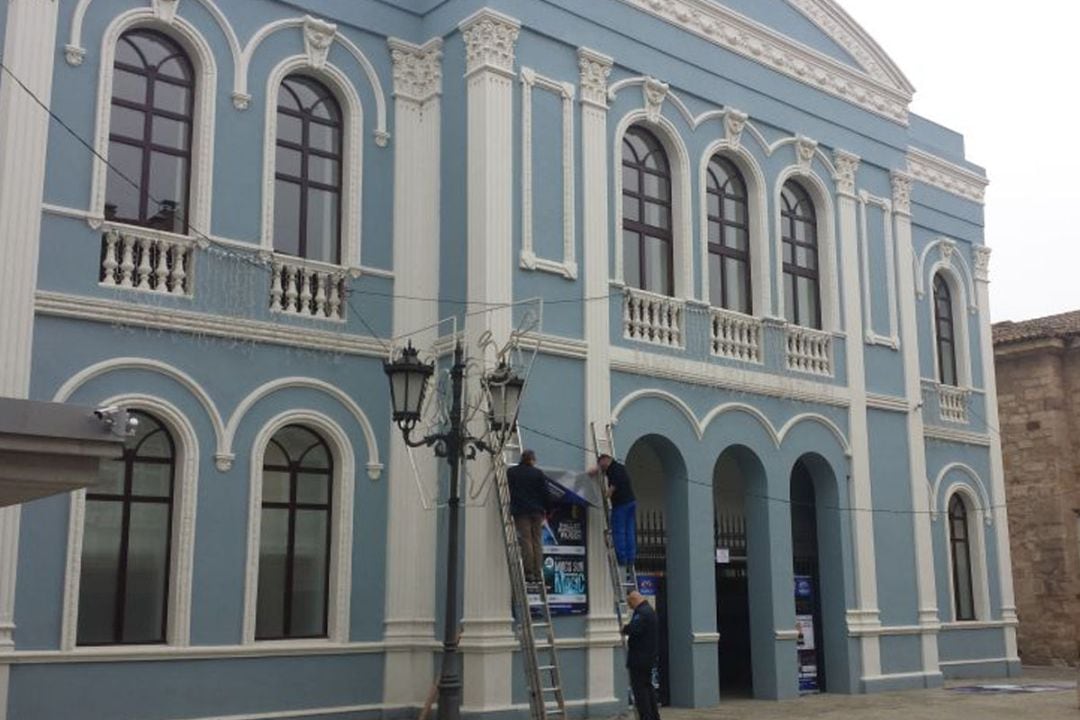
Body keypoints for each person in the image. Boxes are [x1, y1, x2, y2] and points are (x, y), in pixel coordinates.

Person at [507, 449, 552, 584]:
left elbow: (509, 489)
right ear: (532, 460)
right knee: (537, 541)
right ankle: (538, 572)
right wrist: (547, 510)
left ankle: (529, 572)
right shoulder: (538, 474)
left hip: (521, 511)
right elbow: (546, 493)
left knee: (526, 541)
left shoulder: (512, 472)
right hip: (537, 512)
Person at [622, 591, 660, 720]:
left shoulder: (642, 613)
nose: (630, 606)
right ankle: (654, 716)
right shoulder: (649, 610)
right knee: (648, 688)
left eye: (629, 603)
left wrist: (624, 629)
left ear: (633, 600)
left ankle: (646, 716)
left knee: (640, 691)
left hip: (639, 659)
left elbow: (634, 628)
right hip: (648, 657)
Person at [596, 454, 637, 567]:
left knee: (618, 531)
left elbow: (615, 482)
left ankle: (622, 558)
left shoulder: (613, 469)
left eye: (601, 465)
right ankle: (631, 557)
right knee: (629, 530)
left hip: (621, 504)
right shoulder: (620, 467)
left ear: (605, 460)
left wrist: (607, 494)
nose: (601, 468)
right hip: (630, 502)